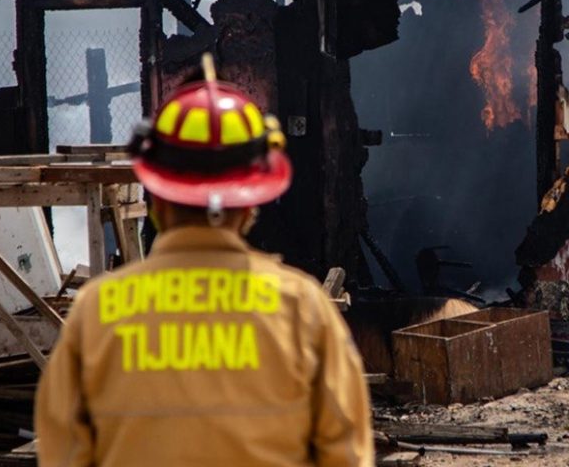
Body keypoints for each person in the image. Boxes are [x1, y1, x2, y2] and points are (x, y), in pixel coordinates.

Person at [34, 55, 373, 467]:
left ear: (158, 199)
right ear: (249, 206)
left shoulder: (96, 316)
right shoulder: (304, 313)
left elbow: (63, 455)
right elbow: (346, 456)